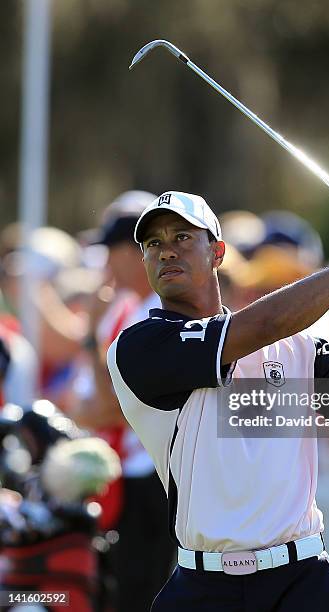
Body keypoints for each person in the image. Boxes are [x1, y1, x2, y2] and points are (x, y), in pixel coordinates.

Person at [107, 191, 329, 611]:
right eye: (154, 244)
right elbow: (262, 324)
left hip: (300, 582)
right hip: (203, 586)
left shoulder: (295, 349)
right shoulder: (139, 347)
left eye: (183, 237)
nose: (167, 251)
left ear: (217, 253)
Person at [70, 191, 176, 612]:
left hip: (150, 476)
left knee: (139, 594)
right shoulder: (128, 306)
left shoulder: (155, 310)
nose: (106, 266)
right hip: (127, 473)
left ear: (134, 252)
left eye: (111, 252)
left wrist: (90, 334)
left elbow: (114, 404)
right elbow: (91, 399)